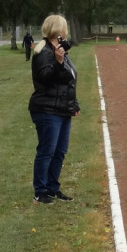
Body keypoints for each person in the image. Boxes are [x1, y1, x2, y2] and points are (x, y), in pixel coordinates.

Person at [28, 14, 80, 205]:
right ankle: (40, 191)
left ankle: (52, 187)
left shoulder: (59, 51)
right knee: (46, 150)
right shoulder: (44, 52)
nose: (66, 32)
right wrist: (58, 62)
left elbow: (68, 80)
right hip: (47, 109)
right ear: (58, 30)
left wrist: (74, 104)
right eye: (64, 28)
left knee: (60, 151)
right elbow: (45, 78)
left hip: (62, 109)